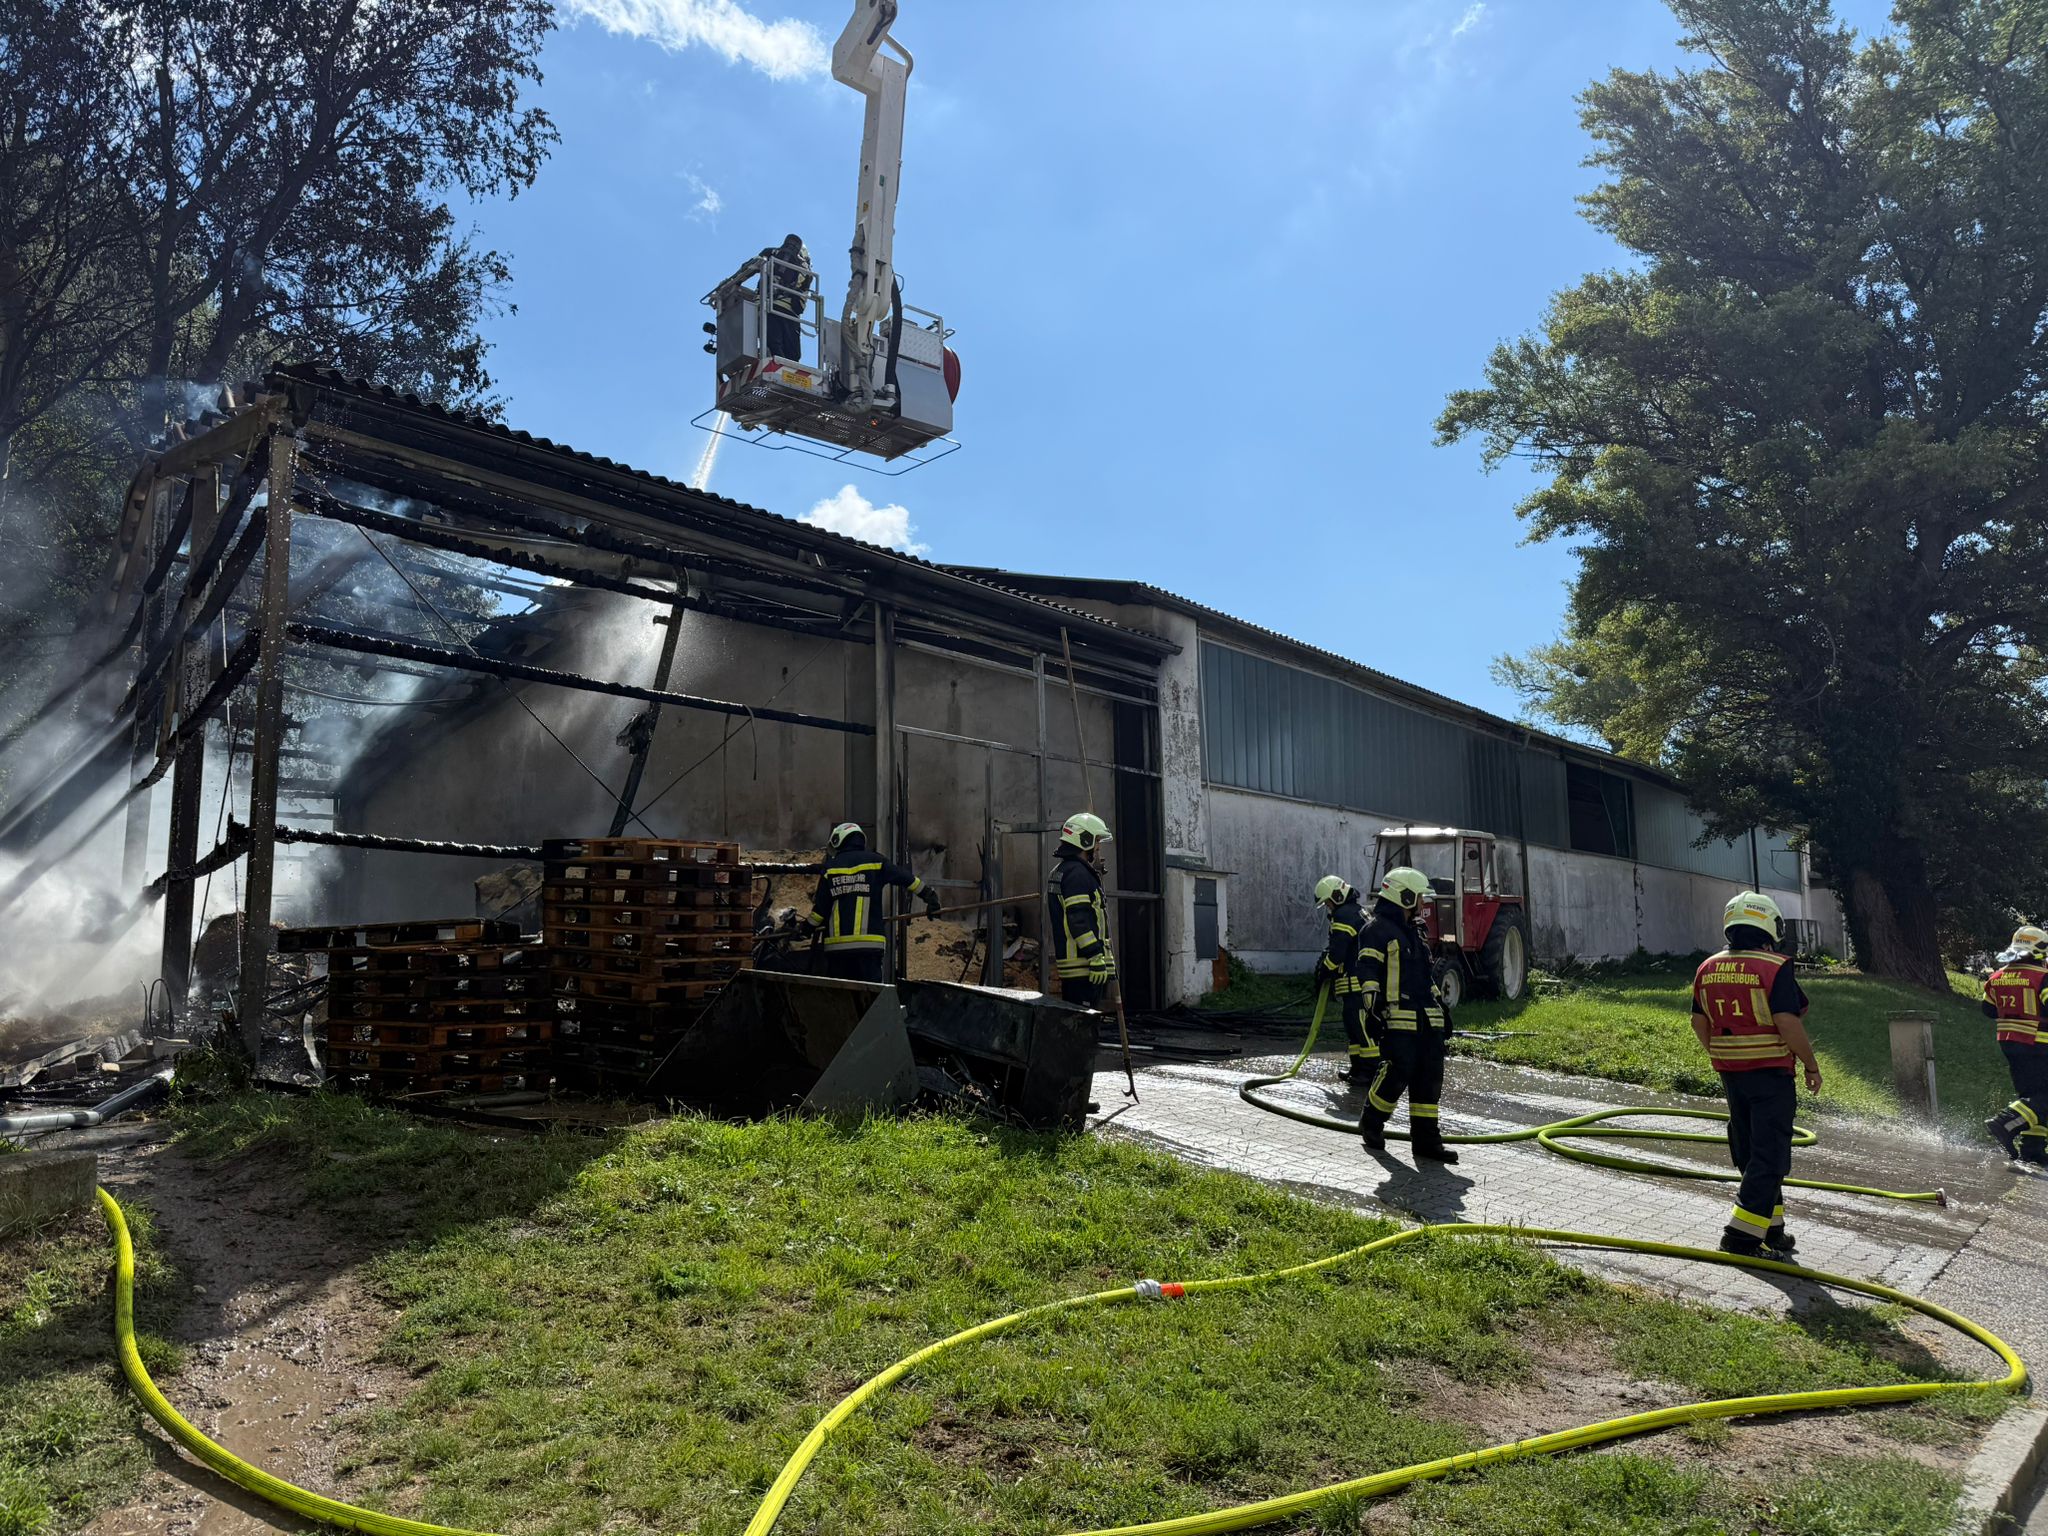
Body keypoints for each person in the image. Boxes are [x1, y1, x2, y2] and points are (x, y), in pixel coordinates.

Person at [1691, 891, 1821, 1258]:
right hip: (1770, 1074)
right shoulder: (1774, 966)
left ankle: (1771, 1229)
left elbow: (1698, 1022)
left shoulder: (1708, 967)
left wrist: (1722, 1052)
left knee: (1750, 1150)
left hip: (1731, 1074)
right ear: (1770, 926)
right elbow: (1787, 1021)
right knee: (1770, 1155)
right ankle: (1741, 1238)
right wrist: (1810, 1065)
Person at [1356, 867, 1458, 1163]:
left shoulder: (1415, 932)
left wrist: (1442, 1009)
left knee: (1430, 1078)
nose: (1422, 903)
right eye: (1419, 897)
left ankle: (1426, 1142)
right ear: (1405, 896)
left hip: (1427, 1018)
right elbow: (1368, 973)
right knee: (1397, 1072)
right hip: (1397, 1016)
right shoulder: (1375, 930)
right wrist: (1372, 1010)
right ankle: (1371, 1122)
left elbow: (1425, 977)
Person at [805, 821, 939, 983]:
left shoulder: (830, 869)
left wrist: (805, 929)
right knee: (871, 995)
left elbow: (820, 912)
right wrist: (930, 896)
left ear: (838, 841)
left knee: (842, 995)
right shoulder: (876, 862)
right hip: (869, 948)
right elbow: (907, 879)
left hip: (837, 950)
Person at [1983, 924, 2048, 1167]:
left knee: (2032, 1097)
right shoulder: (2042, 977)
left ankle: (2032, 1149)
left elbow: (1988, 1010)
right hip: (2039, 1044)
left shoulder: (1997, 976)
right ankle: (2004, 1123)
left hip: (2010, 1044)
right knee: (2043, 1098)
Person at [1311, 875, 1376, 1082]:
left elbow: (1338, 951)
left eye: (1328, 902)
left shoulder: (1344, 915)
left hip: (1357, 984)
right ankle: (1357, 1069)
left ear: (1337, 896)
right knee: (1353, 1028)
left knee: (1362, 1028)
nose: (1328, 907)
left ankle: (1370, 1071)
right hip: (1355, 984)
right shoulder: (1356, 911)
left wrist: (1324, 971)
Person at [1048, 812, 1115, 1007]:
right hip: (1084, 966)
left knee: (1077, 1021)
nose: (1098, 847)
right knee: (1083, 1022)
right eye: (1097, 840)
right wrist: (1095, 956)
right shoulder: (1077, 875)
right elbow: (1079, 919)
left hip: (1077, 967)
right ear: (1085, 840)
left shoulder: (1064, 871)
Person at [761, 233, 812, 360]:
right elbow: (800, 305)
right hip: (789, 313)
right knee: (793, 355)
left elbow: (749, 266)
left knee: (773, 345)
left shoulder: (770, 253)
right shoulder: (806, 270)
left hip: (766, 306)